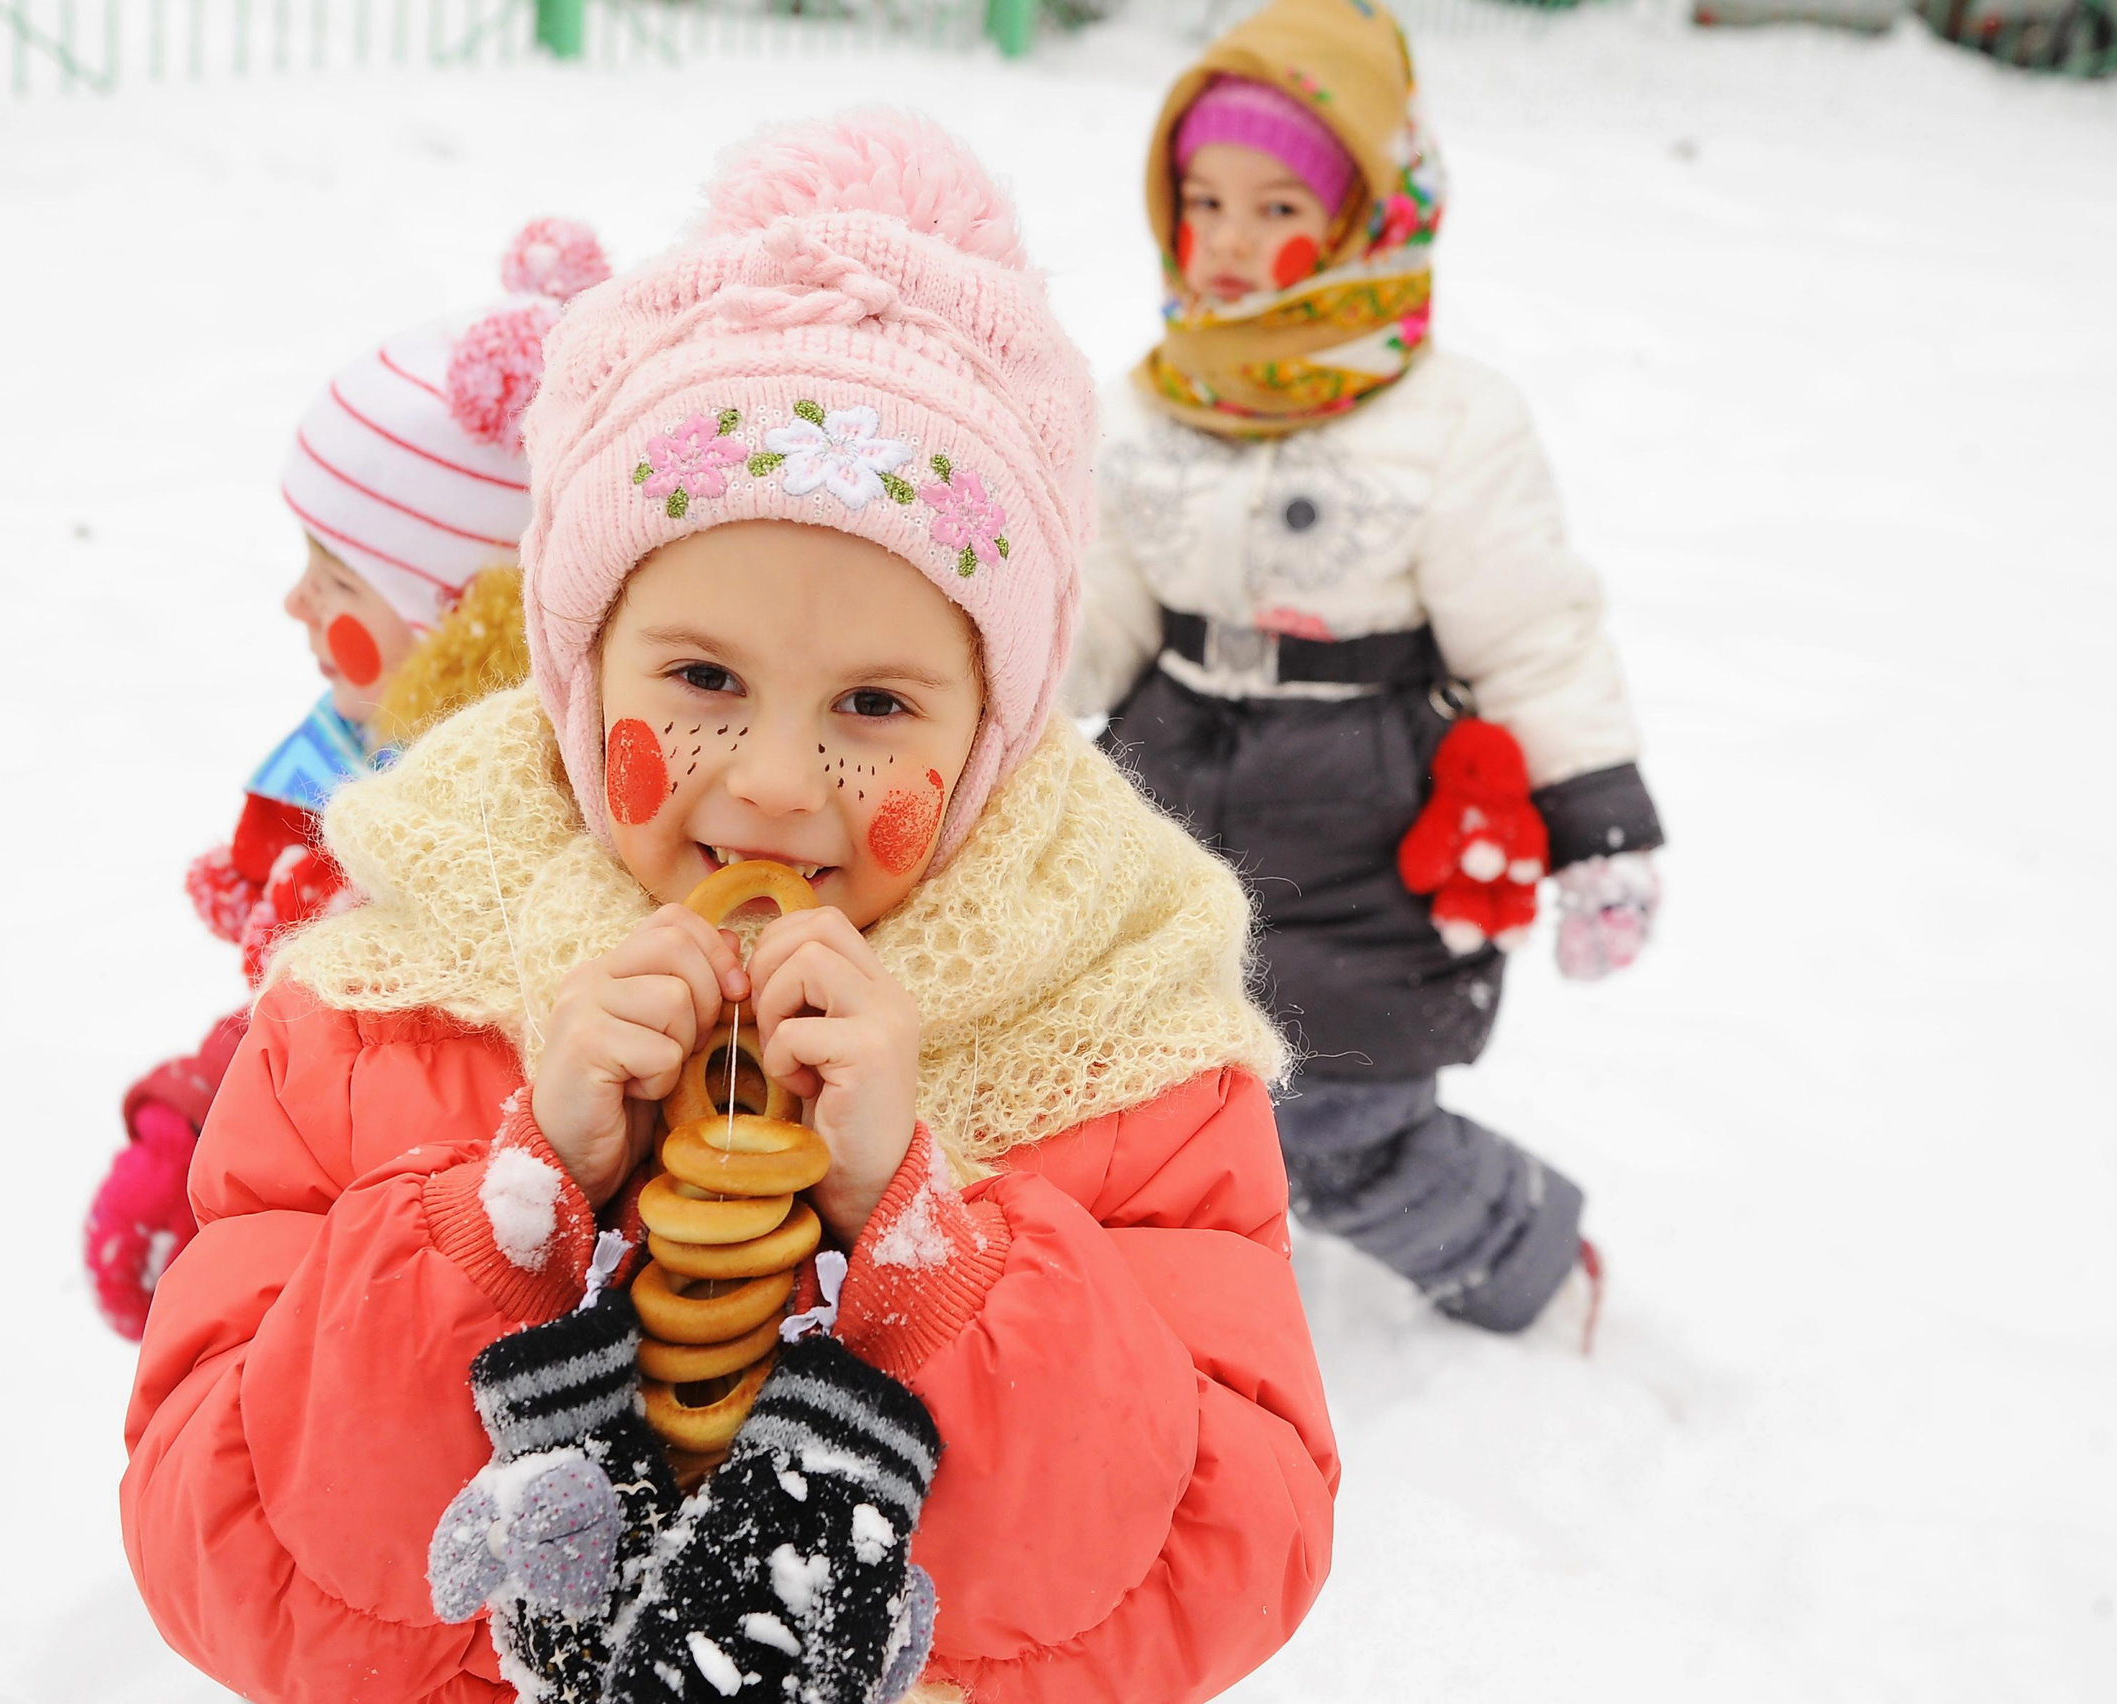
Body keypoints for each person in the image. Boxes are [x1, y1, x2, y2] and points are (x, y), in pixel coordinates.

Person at [121, 113, 1337, 1704]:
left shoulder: (1122, 1036)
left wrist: (921, 1244)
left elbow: (1217, 1562)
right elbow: (224, 1550)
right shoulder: (384, 999)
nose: (774, 782)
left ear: (994, 731)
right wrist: (511, 1215)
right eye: (702, 680)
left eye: (879, 705)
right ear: (576, 670)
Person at [1068, 0, 1667, 1339]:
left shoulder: (1452, 420)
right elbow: (1094, 617)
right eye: (1202, 202)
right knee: (1134, 1080)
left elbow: (1532, 628)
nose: (1226, 244)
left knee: (1341, 1119)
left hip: (1363, 811)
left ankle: (1526, 1262)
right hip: (1161, 793)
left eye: (1276, 206)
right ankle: (1165, 1297)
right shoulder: (1140, 406)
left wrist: (1598, 824)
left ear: (1369, 218)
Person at [80, 219, 600, 1341]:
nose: (294, 609)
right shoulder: (365, 767)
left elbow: (351, 1052)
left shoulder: (475, 855)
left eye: (335, 580)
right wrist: (188, 1123)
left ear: (465, 618)